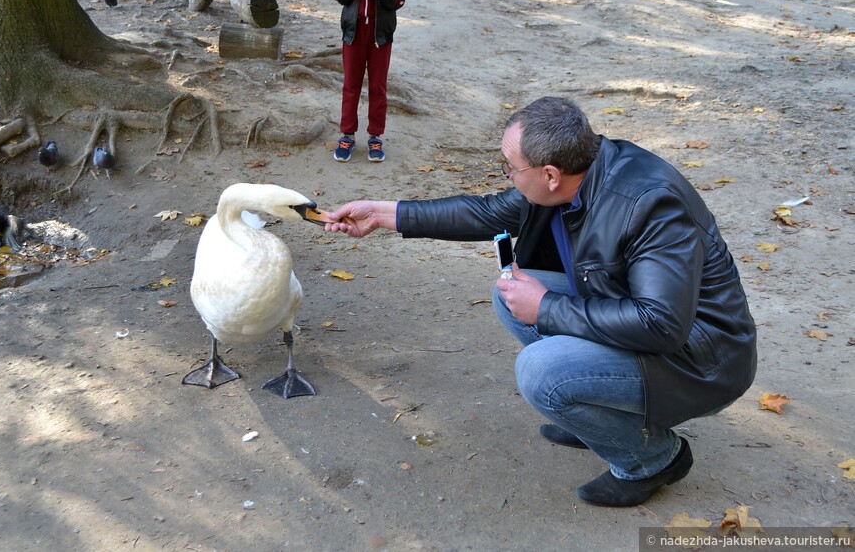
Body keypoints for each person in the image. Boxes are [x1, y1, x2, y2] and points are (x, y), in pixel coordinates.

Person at [322, 96, 757, 507]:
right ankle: (603, 420)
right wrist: (383, 214)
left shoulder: (649, 204)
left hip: (703, 360)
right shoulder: (579, 172)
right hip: (643, 325)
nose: (506, 175)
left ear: (549, 174)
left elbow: (662, 324)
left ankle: (653, 459)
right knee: (508, 294)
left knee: (542, 373)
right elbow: (487, 212)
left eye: (510, 167)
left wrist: (547, 306)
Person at [332, 0, 407, 163]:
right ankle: (347, 135)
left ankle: (375, 136)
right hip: (353, 31)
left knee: (377, 86)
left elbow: (399, 1)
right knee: (351, 85)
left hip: (381, 34)